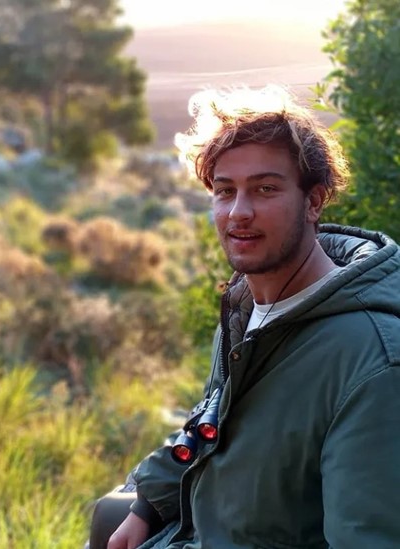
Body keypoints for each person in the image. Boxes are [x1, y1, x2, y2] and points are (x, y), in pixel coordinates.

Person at [101, 85, 400, 549]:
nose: (239, 212)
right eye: (225, 191)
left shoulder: (371, 361)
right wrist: (147, 505)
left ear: (314, 201)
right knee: (107, 514)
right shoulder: (246, 308)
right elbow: (209, 424)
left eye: (265, 189)